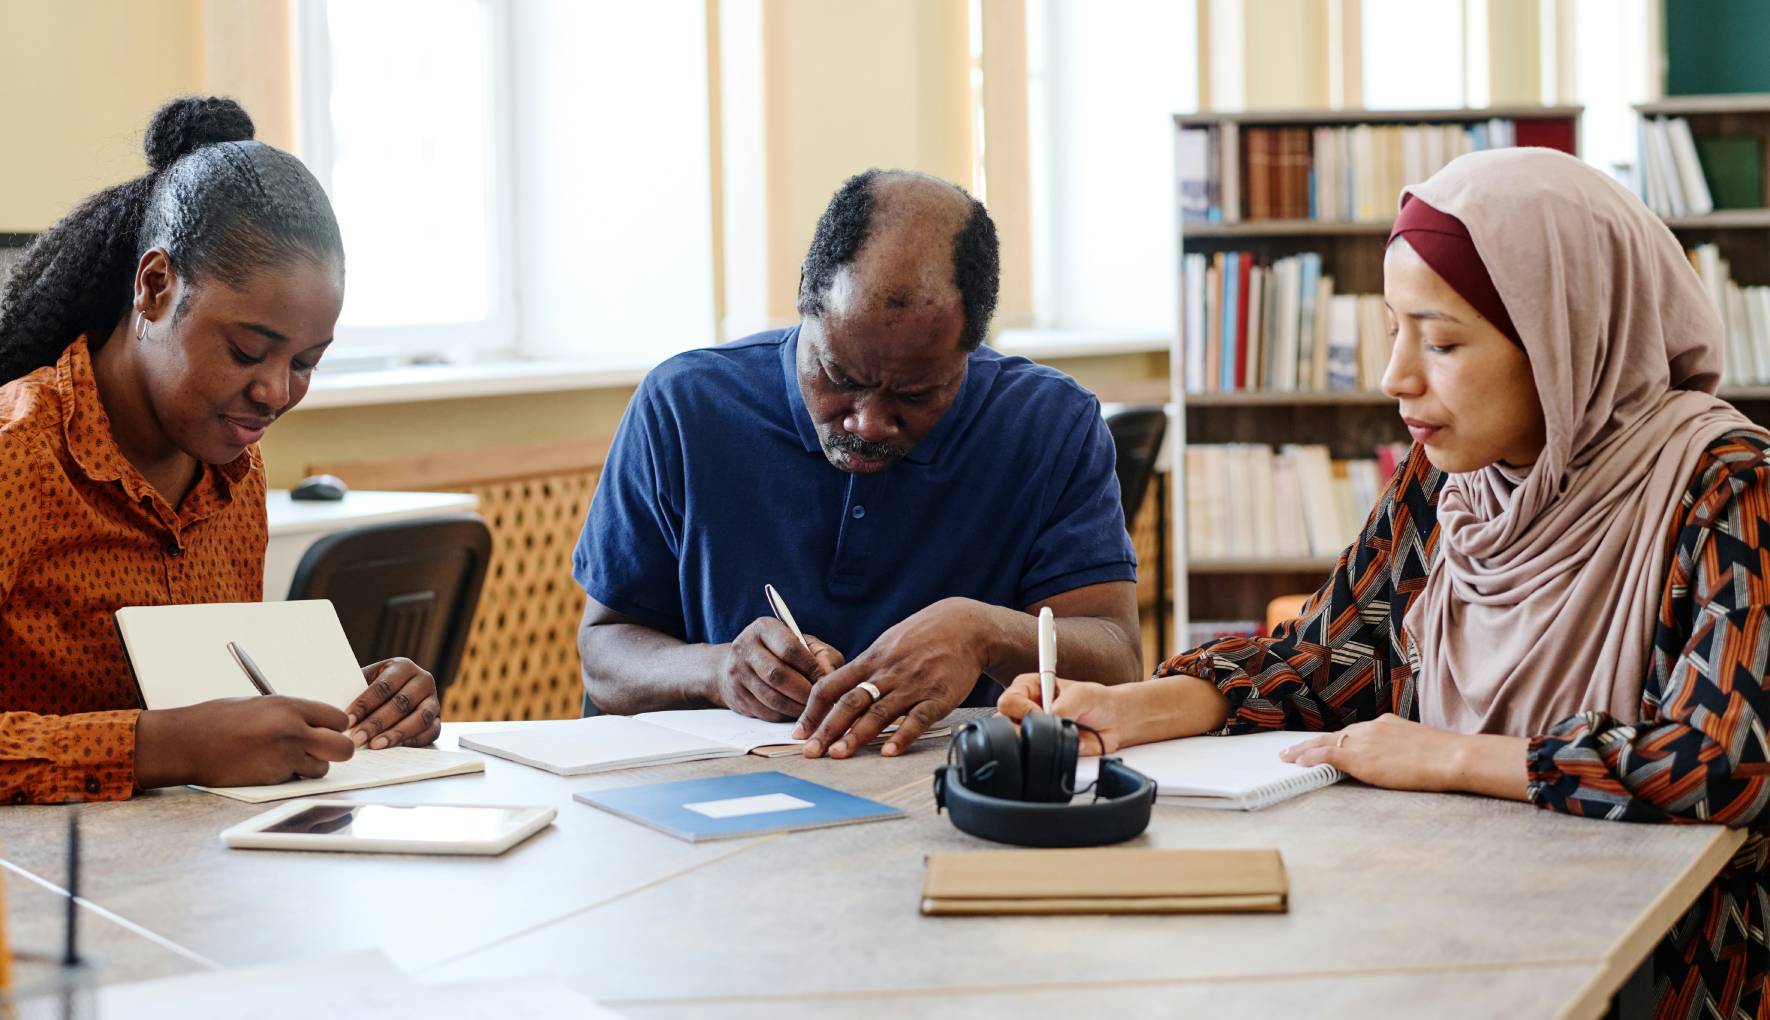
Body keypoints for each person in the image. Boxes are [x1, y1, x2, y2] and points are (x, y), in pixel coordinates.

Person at [1000, 146, 1770, 1014]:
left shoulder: (1728, 484)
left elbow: (1725, 762)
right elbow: (1335, 655)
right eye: (1394, 330)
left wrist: (1449, 756)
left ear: (1567, 339)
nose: (1394, 377)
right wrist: (1139, 707)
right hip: (1454, 925)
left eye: (1441, 341)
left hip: (1666, 968)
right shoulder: (1447, 477)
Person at [575, 169, 1142, 758]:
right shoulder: (684, 405)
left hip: (954, 794)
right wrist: (716, 672)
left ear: (970, 348)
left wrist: (983, 632)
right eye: (840, 377)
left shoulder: (1050, 424)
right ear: (804, 295)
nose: (868, 423)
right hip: (715, 792)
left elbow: (1118, 657)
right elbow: (605, 652)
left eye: (917, 395)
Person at [0, 97, 442, 805]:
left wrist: (345, 704)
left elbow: (209, 695)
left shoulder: (233, 465)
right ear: (154, 287)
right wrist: (163, 747)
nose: (274, 393)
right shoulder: (19, 455)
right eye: (246, 351)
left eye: (306, 363)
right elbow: (186, 738)